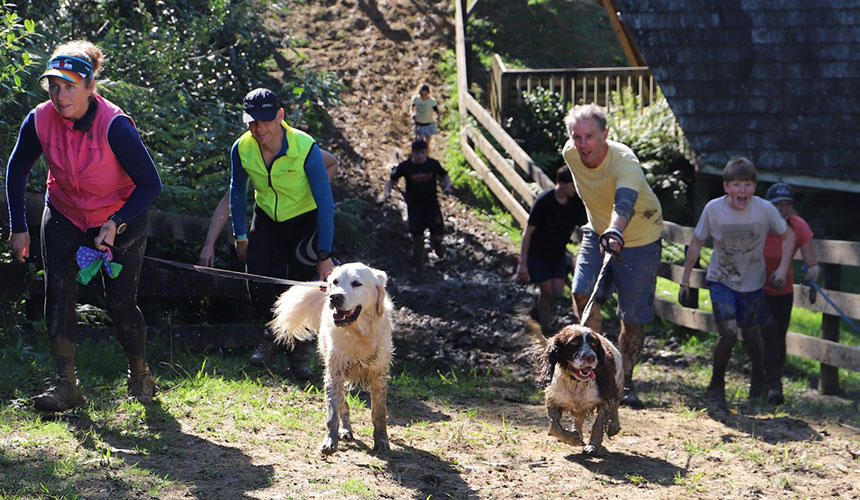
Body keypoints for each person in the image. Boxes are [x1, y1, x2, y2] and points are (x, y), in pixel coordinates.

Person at [4, 40, 162, 411]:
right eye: (53, 86)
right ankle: (66, 385)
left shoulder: (115, 125)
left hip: (120, 214)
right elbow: (17, 169)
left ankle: (140, 374)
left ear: (90, 87)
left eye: (69, 87)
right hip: (65, 212)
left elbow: (151, 184)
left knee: (120, 302)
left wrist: (116, 222)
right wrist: (19, 226)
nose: (60, 96)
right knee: (58, 291)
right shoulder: (39, 119)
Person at [561, 104, 663, 409]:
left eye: (590, 136)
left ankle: (624, 381)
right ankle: (597, 369)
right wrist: (606, 232)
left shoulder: (624, 161)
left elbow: (625, 203)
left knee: (633, 317)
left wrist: (616, 231)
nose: (583, 144)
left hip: (640, 236)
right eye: (577, 137)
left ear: (605, 134)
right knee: (581, 293)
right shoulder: (570, 154)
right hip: (596, 230)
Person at [229, 88, 335, 377]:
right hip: (267, 218)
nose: (259, 128)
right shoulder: (241, 148)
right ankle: (272, 334)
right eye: (253, 122)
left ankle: (299, 353)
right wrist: (240, 235)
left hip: (304, 221)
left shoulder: (305, 147)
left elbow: (326, 203)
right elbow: (237, 191)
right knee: (258, 280)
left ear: (280, 116)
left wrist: (325, 254)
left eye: (265, 120)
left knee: (303, 288)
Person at [679, 158, 795, 408]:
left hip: (753, 282)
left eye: (747, 185)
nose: (742, 190)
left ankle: (758, 380)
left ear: (754, 187)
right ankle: (716, 385)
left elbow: (789, 235)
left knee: (753, 335)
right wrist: (685, 280)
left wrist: (783, 269)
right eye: (736, 185)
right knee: (729, 332)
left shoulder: (764, 209)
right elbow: (696, 242)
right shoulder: (713, 209)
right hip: (721, 279)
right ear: (726, 187)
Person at [198, 149, 339, 267]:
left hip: (304, 220)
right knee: (259, 266)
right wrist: (209, 245)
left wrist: (313, 191)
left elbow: (332, 162)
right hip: (269, 220)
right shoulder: (252, 163)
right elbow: (227, 202)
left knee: (305, 270)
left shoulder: (299, 150)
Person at [762, 182, 819, 404]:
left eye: (787, 205)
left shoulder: (799, 227)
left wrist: (813, 272)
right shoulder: (758, 224)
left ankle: (774, 383)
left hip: (783, 289)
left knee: (778, 335)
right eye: (777, 205)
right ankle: (765, 382)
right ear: (768, 206)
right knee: (767, 329)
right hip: (756, 287)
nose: (782, 209)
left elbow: (811, 262)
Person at [517, 166, 582, 336]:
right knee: (547, 291)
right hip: (538, 255)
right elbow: (528, 232)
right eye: (572, 185)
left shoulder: (575, 202)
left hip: (558, 254)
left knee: (558, 292)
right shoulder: (544, 202)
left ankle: (538, 311)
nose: (575, 189)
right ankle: (545, 327)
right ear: (561, 183)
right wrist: (522, 263)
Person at [382, 139, 452, 271]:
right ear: (412, 153)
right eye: (417, 153)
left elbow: (445, 175)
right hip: (415, 208)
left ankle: (438, 249)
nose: (420, 156)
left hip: (432, 206)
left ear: (426, 152)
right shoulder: (405, 166)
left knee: (438, 237)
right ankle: (418, 265)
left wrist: (447, 186)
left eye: (422, 153)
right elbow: (391, 181)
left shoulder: (433, 164)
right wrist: (387, 193)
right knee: (418, 238)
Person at [410, 83, 441, 151]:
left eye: (425, 94)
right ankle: (419, 155)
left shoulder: (431, 101)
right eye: (422, 94)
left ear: (428, 93)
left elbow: (436, 110)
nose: (423, 96)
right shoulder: (416, 100)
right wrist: (413, 114)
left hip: (428, 124)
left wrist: (438, 116)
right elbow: (412, 109)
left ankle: (426, 156)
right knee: (419, 143)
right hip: (419, 124)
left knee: (427, 144)